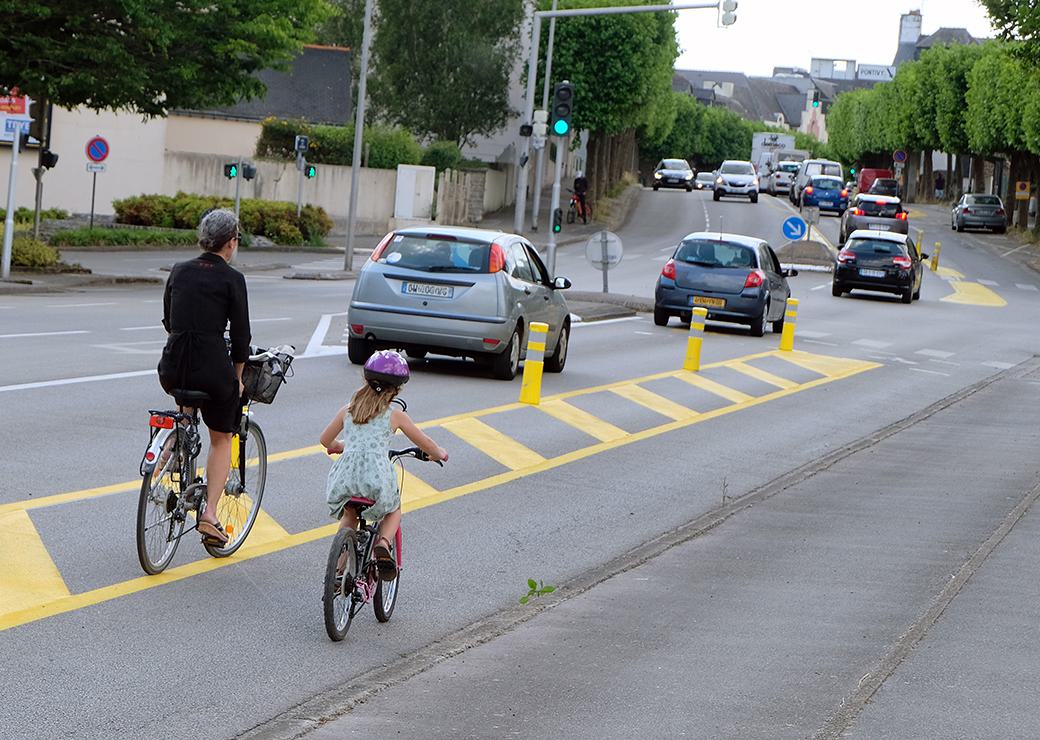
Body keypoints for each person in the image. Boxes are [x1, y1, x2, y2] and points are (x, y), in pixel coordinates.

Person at [157, 209, 250, 546]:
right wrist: (238, 377)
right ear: (231, 242)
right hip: (212, 369)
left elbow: (169, 321)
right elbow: (241, 338)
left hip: (172, 366)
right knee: (222, 437)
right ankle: (210, 514)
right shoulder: (232, 279)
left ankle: (163, 460)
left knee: (185, 412)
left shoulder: (179, 271)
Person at [320, 350, 448, 581]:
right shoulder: (395, 416)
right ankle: (383, 544)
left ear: (366, 380)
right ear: (397, 389)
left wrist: (339, 445)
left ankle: (336, 573)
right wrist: (439, 453)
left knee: (349, 515)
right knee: (393, 509)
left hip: (345, 478)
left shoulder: (347, 410)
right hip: (376, 479)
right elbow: (424, 442)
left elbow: (325, 440)